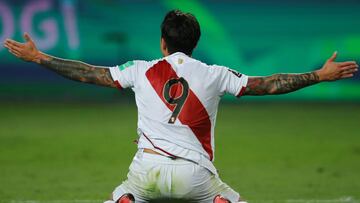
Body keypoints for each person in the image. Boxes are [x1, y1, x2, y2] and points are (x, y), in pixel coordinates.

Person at [3, 9, 358, 203]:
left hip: (147, 174)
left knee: (122, 194)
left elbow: (85, 73)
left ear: (162, 43)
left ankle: (126, 198)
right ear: (195, 44)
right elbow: (268, 84)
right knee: (225, 197)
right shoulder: (216, 74)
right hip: (195, 178)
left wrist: (39, 57)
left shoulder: (139, 70)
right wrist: (318, 75)